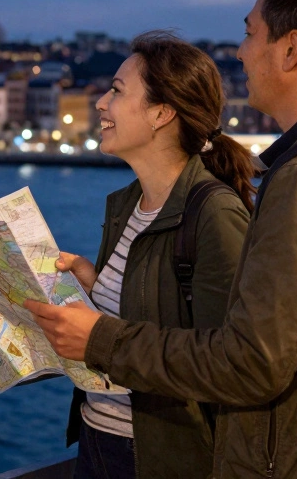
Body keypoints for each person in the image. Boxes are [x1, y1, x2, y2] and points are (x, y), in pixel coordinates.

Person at [27, 0, 297, 478]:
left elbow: (249, 362)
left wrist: (99, 339)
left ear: (291, 49)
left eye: (250, 33)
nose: (240, 51)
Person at [59, 30, 253, 479]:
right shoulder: (127, 205)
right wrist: (95, 287)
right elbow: (148, 314)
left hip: (159, 457)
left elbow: (231, 361)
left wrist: (99, 335)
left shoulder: (215, 214)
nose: (101, 103)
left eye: (116, 91)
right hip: (97, 437)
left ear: (162, 113)